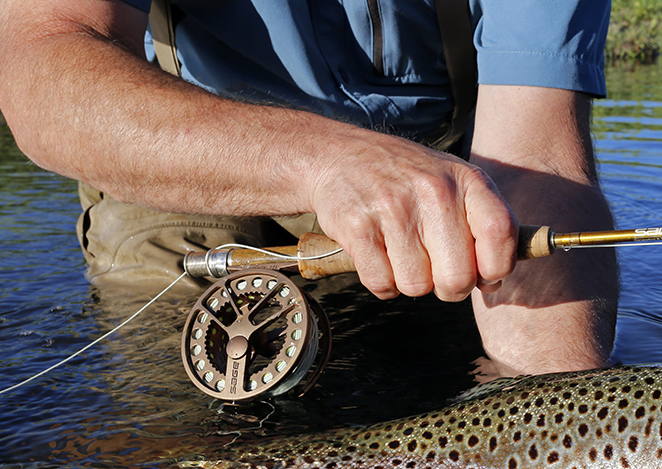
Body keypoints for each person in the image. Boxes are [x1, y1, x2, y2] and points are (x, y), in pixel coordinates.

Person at [0, 0, 619, 376]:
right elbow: (41, 70)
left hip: (436, 174)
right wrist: (328, 165)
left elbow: (535, 158)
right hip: (180, 155)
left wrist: (562, 421)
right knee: (181, 452)